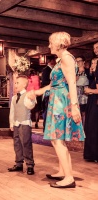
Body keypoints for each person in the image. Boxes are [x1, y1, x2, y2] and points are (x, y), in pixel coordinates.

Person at [29, 32, 85, 188]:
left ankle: (69, 178)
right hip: (57, 100)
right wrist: (38, 92)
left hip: (62, 102)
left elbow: (72, 83)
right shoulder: (63, 59)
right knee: (57, 139)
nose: (49, 46)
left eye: (50, 42)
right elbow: (54, 84)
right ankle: (63, 171)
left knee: (56, 138)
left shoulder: (66, 58)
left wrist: (74, 107)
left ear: (59, 43)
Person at [8, 75, 36, 175]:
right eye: (15, 83)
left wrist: (31, 98)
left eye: (17, 83)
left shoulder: (28, 95)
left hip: (25, 123)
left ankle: (30, 165)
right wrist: (11, 123)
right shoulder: (14, 97)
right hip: (16, 123)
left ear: (24, 84)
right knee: (17, 144)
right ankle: (19, 163)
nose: (15, 85)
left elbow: (30, 106)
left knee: (26, 143)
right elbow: (12, 111)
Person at [83, 42, 98, 162]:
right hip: (92, 100)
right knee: (91, 127)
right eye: (94, 48)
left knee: (93, 127)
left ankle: (94, 154)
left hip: (95, 102)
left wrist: (90, 90)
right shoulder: (92, 74)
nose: (96, 50)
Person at [41, 55, 56, 130]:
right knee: (47, 110)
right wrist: (53, 82)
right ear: (51, 61)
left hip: (53, 92)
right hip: (48, 92)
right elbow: (44, 82)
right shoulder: (46, 70)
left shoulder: (53, 69)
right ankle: (46, 128)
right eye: (54, 59)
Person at [76, 56, 89, 126]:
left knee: (84, 112)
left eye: (79, 61)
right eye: (76, 61)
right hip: (76, 93)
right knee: (77, 112)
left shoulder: (87, 71)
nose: (78, 62)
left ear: (83, 62)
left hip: (84, 94)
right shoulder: (75, 72)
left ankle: (84, 128)